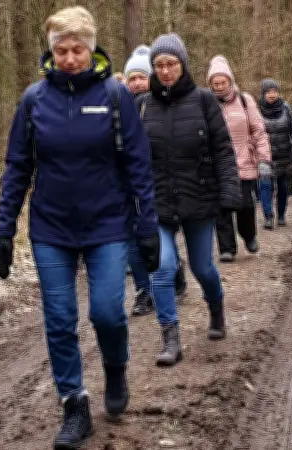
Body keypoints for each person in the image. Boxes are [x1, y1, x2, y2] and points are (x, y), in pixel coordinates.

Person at [0, 7, 159, 448]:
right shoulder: (33, 100)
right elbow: (17, 166)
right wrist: (4, 227)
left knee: (106, 312)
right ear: (51, 52)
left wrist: (147, 225)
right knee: (60, 319)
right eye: (61, 50)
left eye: (77, 49)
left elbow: (138, 164)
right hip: (51, 229)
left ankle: (115, 367)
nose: (69, 58)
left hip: (107, 224)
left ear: (91, 48)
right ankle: (74, 404)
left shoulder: (114, 95)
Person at [136, 33, 242, 365]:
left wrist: (229, 194)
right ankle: (170, 337)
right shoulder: (143, 106)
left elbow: (223, 151)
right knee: (163, 268)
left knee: (203, 267)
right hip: (158, 201)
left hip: (199, 197)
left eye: (171, 64)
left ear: (182, 64)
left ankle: (216, 309)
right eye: (159, 65)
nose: (165, 71)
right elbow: (133, 158)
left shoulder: (204, 100)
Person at [123, 44, 187, 315]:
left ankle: (174, 271)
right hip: (126, 185)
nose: (137, 82)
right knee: (131, 240)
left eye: (141, 77)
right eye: (132, 78)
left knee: (158, 241)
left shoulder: (161, 104)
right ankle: (143, 291)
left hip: (157, 186)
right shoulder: (118, 104)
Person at [207, 55, 270, 263]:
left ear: (230, 80)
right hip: (216, 163)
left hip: (244, 160)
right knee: (221, 207)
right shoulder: (205, 102)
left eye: (222, 82)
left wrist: (263, 160)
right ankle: (227, 248)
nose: (219, 86)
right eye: (215, 83)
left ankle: (249, 235)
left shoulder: (245, 100)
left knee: (244, 204)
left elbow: (258, 131)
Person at [258, 79, 292, 229]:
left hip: (284, 155)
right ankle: (268, 216)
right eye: (268, 92)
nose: (272, 94)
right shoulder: (256, 110)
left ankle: (281, 214)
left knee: (283, 187)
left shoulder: (286, 108)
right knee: (265, 185)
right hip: (265, 156)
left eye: (274, 91)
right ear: (263, 93)